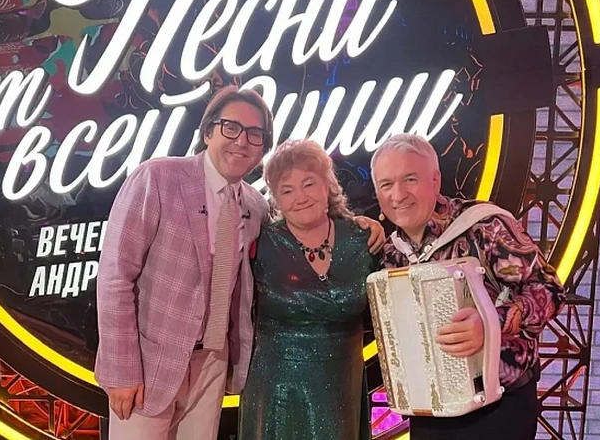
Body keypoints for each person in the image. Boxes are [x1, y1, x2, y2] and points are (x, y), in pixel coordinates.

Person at [96, 85, 385, 440]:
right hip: (149, 365)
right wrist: (121, 370)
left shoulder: (254, 206)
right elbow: (115, 277)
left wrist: (361, 224)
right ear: (208, 132)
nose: (241, 141)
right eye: (230, 127)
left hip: (213, 365)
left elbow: (305, 229)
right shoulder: (157, 178)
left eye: (254, 134)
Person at [370, 133, 566, 440]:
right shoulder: (390, 253)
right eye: (386, 184)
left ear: (435, 180)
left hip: (499, 411)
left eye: (410, 179)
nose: (398, 195)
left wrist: (490, 323)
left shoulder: (485, 226)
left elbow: (549, 290)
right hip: (430, 412)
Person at [239, 139, 377, 440]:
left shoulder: (362, 239)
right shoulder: (260, 243)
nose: (300, 197)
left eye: (308, 184)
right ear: (276, 199)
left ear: (327, 185)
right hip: (276, 392)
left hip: (342, 389)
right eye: (287, 190)